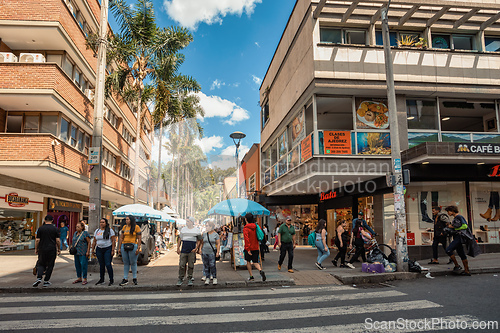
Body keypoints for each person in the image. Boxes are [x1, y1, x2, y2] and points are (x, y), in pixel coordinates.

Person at [33, 215, 60, 287]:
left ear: (45, 220)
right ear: (52, 220)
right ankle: (46, 280)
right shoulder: (55, 229)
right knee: (50, 265)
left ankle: (39, 277)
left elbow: (37, 240)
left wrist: (36, 248)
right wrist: (59, 249)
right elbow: (57, 240)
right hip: (51, 249)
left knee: (41, 263)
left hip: (42, 249)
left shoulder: (40, 229)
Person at [444, 206, 472, 276]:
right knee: (461, 253)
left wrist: (453, 227)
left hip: (459, 237)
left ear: (453, 211)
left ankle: (457, 266)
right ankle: (467, 270)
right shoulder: (456, 218)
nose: (448, 213)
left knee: (448, 250)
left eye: (449, 211)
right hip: (457, 237)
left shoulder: (459, 217)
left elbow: (465, 226)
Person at [176, 217, 202, 287]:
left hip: (191, 250)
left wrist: (196, 248)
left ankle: (190, 278)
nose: (186, 223)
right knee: (182, 265)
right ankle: (180, 278)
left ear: (192, 222)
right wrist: (178, 248)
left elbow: (199, 240)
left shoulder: (196, 230)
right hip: (184, 250)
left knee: (191, 265)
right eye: (186, 221)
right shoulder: (183, 229)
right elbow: (180, 239)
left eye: (188, 221)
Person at [117, 215, 142, 286]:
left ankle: (134, 278)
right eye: (126, 219)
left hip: (133, 245)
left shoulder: (136, 227)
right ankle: (125, 278)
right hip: (124, 245)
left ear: (131, 220)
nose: (126, 221)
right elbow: (121, 238)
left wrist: (138, 247)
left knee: (133, 262)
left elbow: (139, 238)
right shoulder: (124, 227)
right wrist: (119, 248)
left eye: (128, 219)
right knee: (126, 262)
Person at [243, 213, 266, 281]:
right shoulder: (256, 226)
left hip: (249, 248)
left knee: (248, 262)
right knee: (255, 262)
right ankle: (260, 270)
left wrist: (248, 249)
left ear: (246, 219)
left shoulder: (246, 228)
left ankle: (251, 276)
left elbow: (246, 239)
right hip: (256, 247)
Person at [92, 218, 116, 286]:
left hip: (107, 248)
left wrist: (113, 250)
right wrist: (92, 250)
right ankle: (101, 279)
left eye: (103, 222)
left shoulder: (110, 231)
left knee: (108, 264)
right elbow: (94, 241)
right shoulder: (97, 231)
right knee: (101, 265)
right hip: (99, 249)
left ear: (106, 223)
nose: (101, 223)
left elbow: (113, 240)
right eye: (100, 222)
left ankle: (111, 279)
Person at [200, 220, 220, 285]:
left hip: (211, 252)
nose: (206, 227)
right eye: (206, 226)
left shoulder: (215, 234)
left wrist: (217, 252)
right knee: (206, 265)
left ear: (211, 226)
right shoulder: (204, 234)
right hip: (204, 252)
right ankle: (207, 278)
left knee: (212, 265)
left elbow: (218, 243)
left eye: (207, 226)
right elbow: (202, 242)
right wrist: (200, 249)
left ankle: (214, 277)